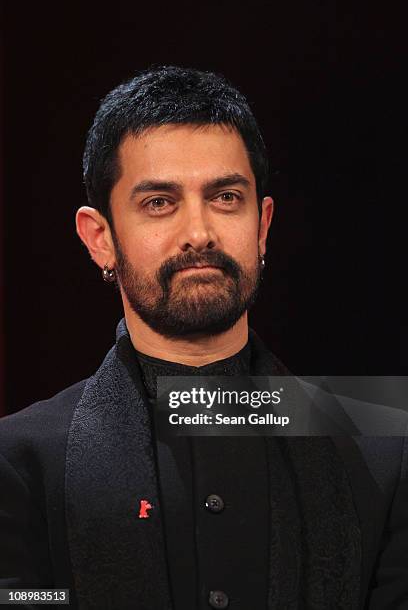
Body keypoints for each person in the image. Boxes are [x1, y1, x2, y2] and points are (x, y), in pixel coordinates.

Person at [0, 66, 407, 610]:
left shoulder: (382, 443)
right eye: (159, 203)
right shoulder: (20, 461)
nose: (199, 233)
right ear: (101, 239)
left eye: (225, 197)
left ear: (262, 225)